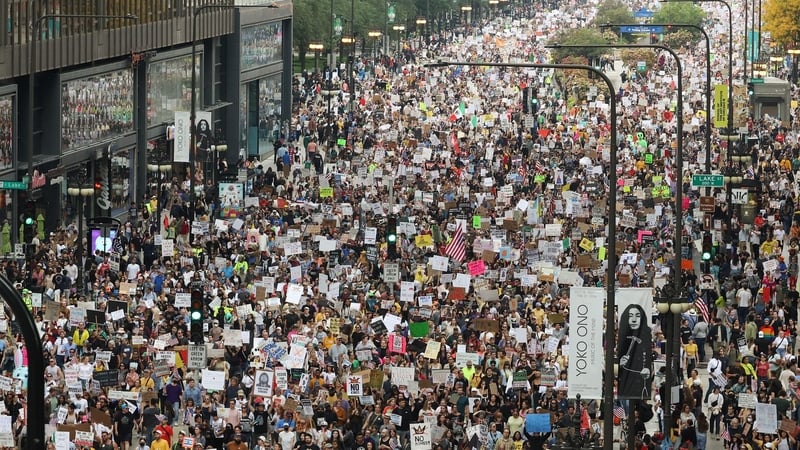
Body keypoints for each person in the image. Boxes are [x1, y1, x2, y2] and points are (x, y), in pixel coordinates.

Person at [617, 304, 653, 399]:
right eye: (630, 316)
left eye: (637, 316)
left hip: (641, 386)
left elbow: (649, 361)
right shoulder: (622, 337)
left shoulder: (646, 336)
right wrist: (619, 364)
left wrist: (648, 370)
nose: (634, 320)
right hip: (625, 385)